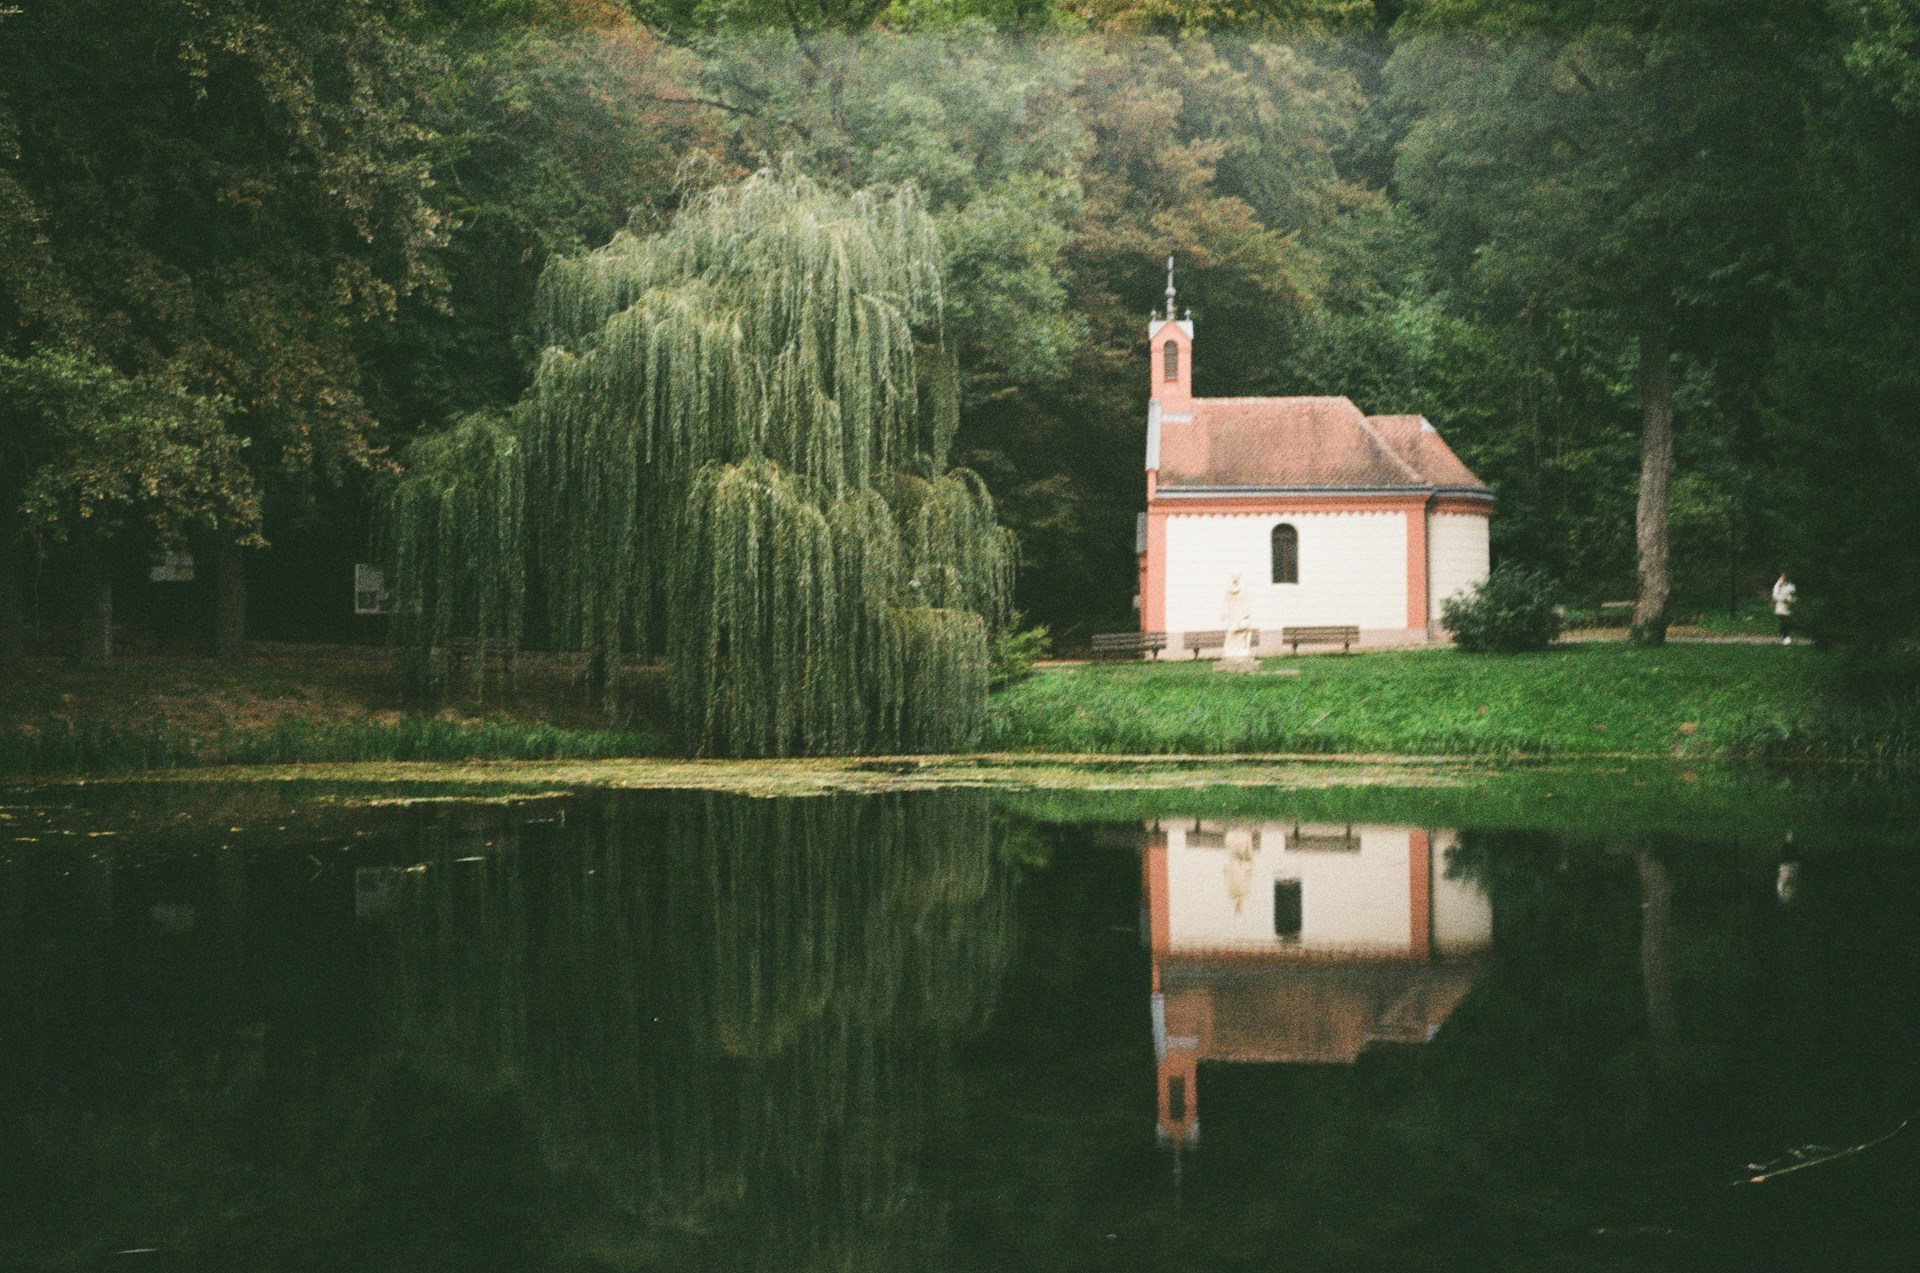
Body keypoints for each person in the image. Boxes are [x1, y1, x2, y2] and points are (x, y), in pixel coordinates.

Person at [1772, 572, 1797, 645]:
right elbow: (1775, 596)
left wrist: (1790, 600)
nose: (1784, 577)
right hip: (1780, 607)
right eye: (1783, 575)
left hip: (1789, 606)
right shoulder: (1778, 584)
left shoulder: (1791, 585)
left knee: (1789, 622)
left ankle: (1786, 636)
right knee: (1783, 622)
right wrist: (1783, 599)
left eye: (1785, 575)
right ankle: (1785, 637)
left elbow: (1793, 595)